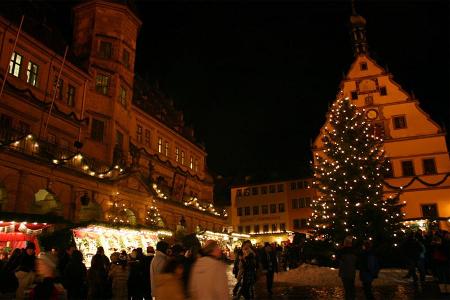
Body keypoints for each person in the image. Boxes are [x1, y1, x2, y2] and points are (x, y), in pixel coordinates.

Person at [337, 236, 357, 300]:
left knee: (347, 289)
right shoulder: (354, 250)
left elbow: (338, 259)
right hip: (351, 272)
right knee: (351, 288)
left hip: (345, 272)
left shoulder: (342, 251)